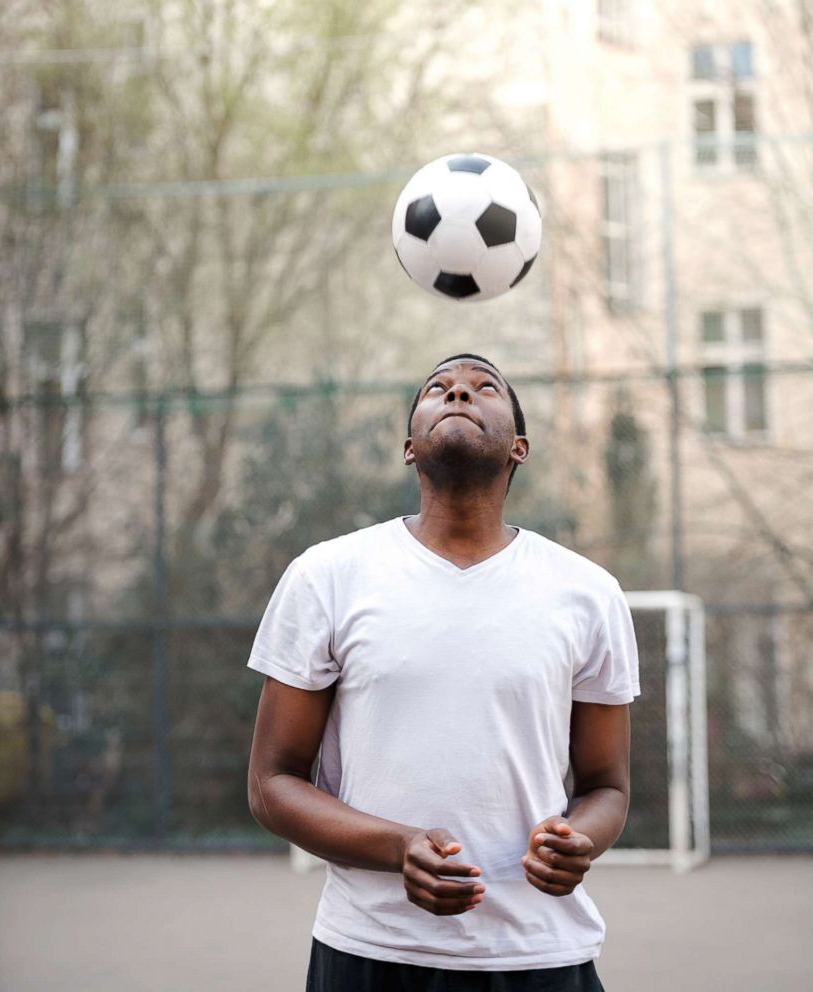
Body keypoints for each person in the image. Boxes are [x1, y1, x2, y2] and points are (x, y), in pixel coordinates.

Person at [247, 353, 640, 991]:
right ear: (409, 447)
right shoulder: (327, 575)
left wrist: (581, 841)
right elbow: (271, 784)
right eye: (439, 388)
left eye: (485, 388)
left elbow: (608, 788)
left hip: (540, 956)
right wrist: (398, 846)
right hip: (370, 951)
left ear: (519, 446)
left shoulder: (588, 592)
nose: (459, 391)